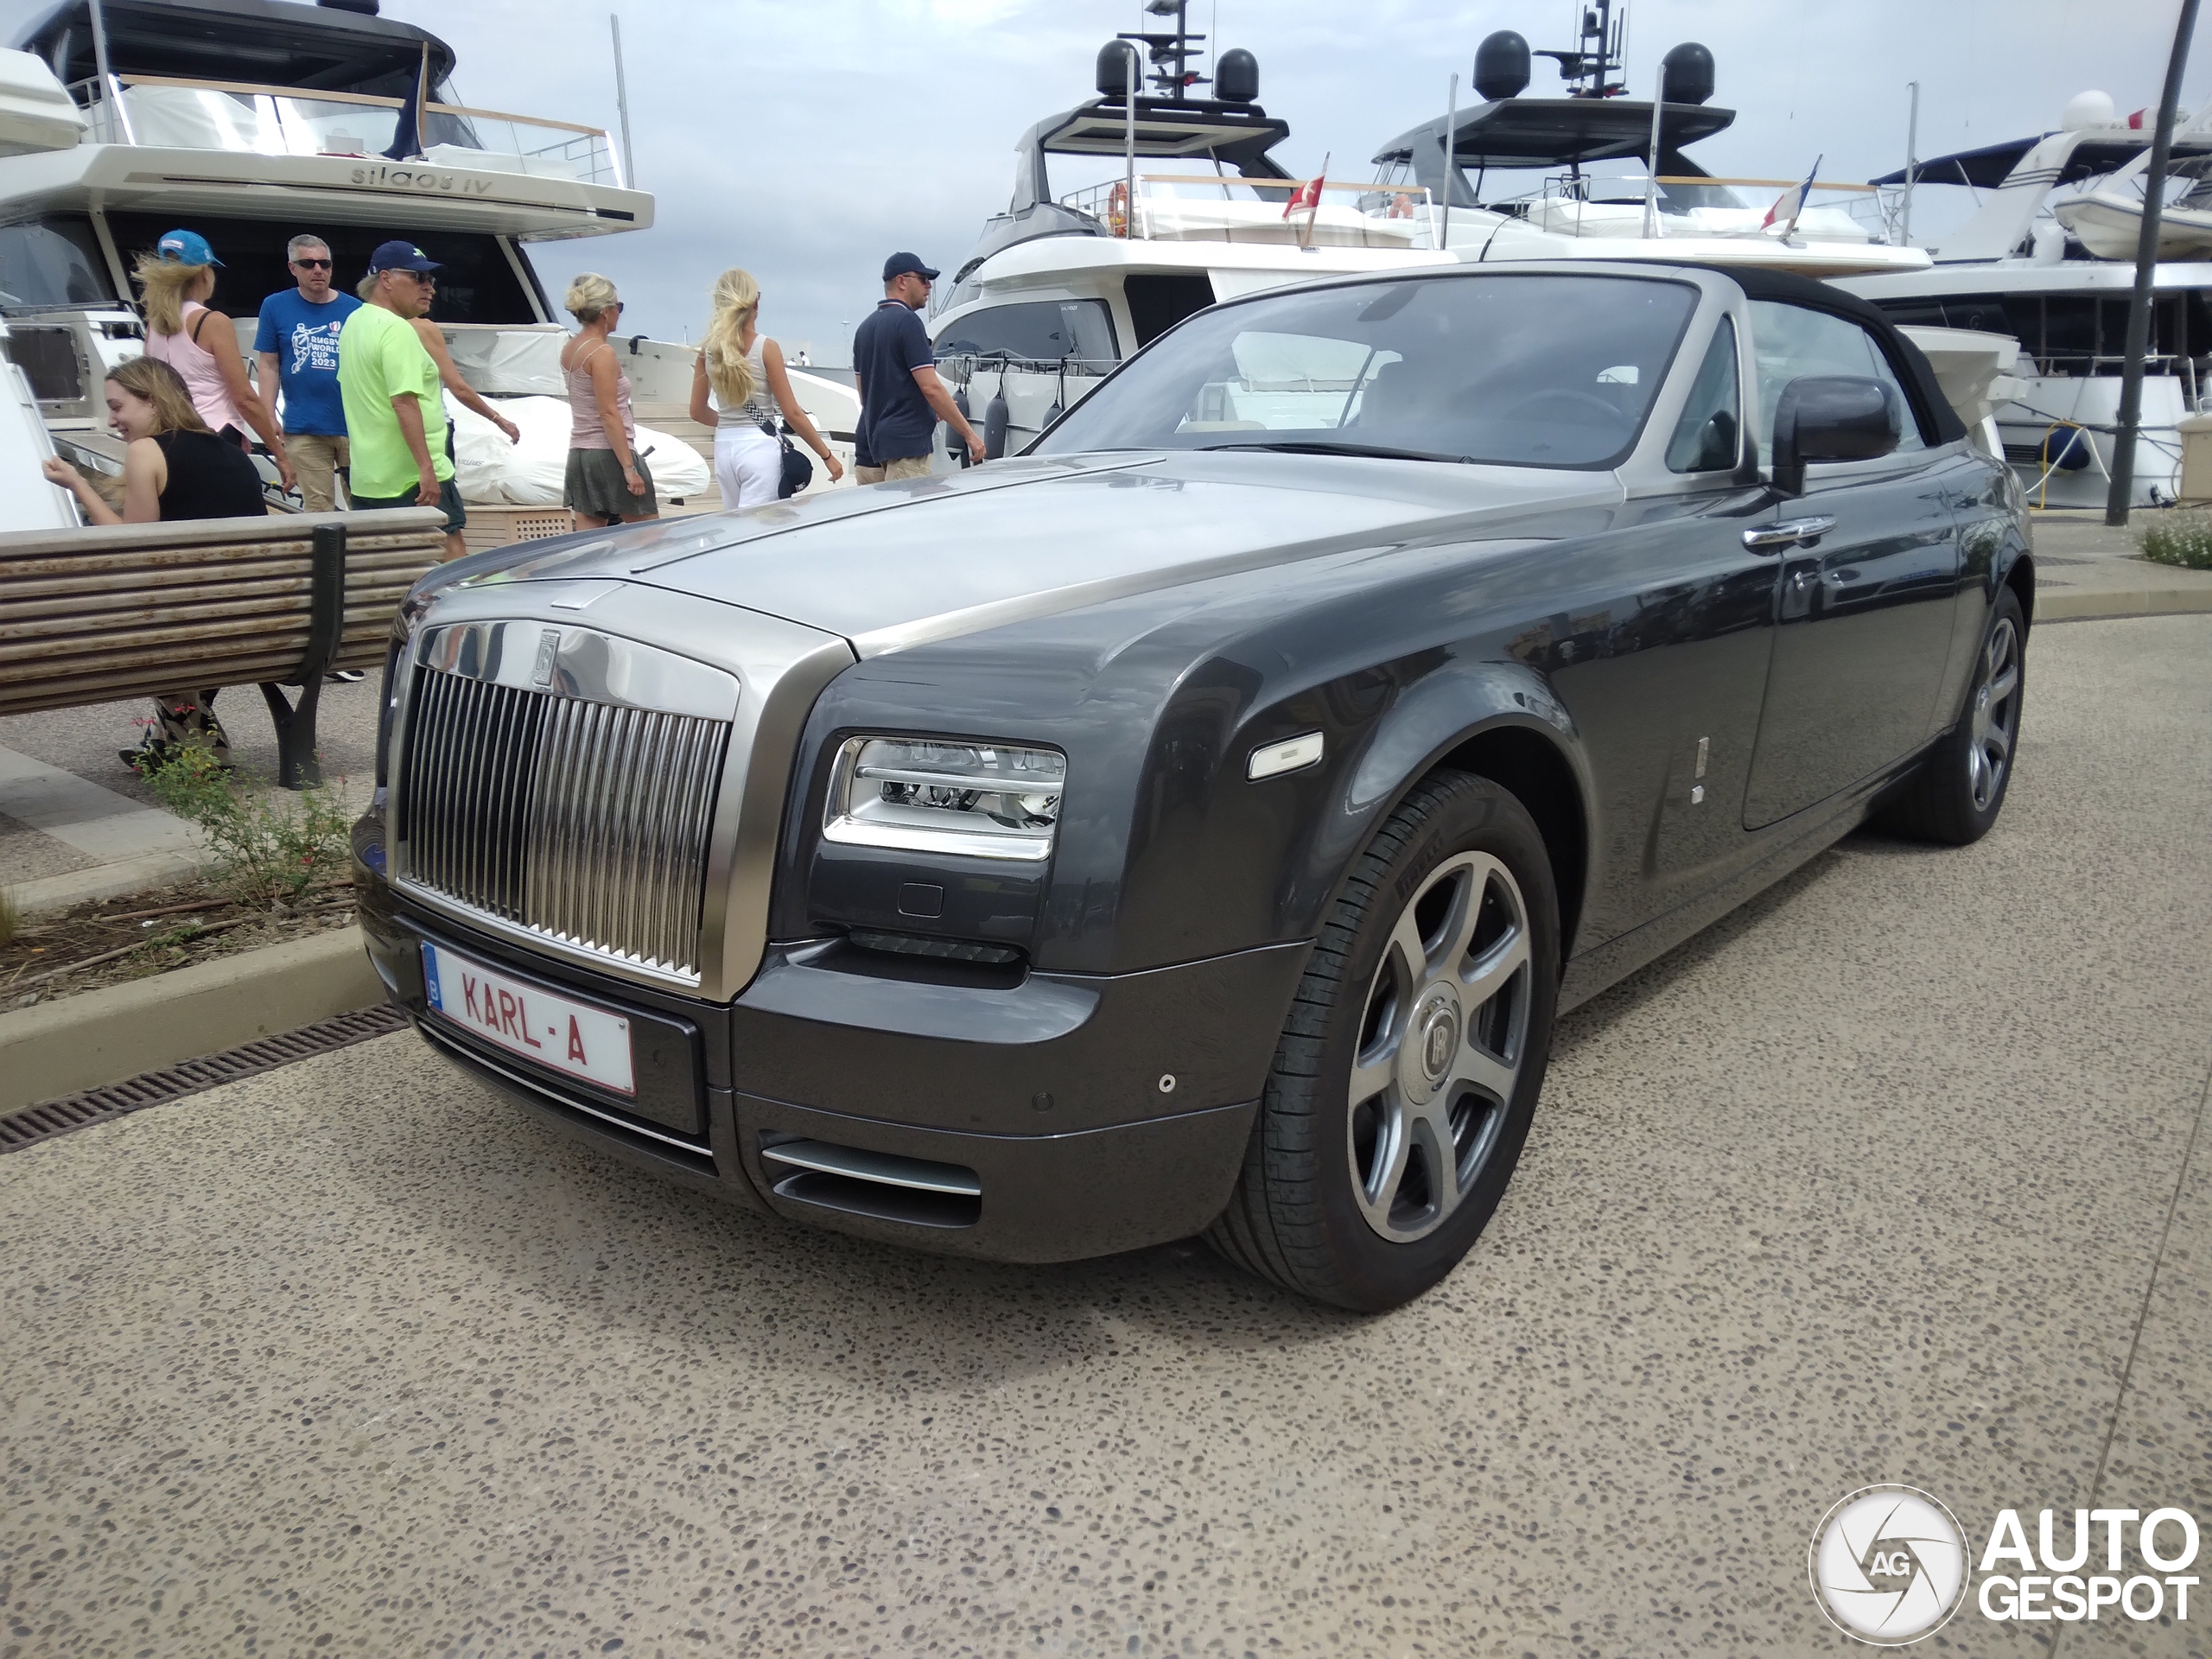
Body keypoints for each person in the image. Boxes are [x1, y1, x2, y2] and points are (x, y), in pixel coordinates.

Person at [41, 357, 265, 768]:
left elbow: (131, 546)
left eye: (117, 406)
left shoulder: (147, 450)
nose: (112, 421)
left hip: (191, 626)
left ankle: (205, 752)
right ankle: (164, 742)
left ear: (153, 402)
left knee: (144, 622)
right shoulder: (233, 452)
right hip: (259, 621)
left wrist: (77, 483)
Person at [136, 227, 294, 497]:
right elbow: (243, 397)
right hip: (214, 437)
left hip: (168, 438)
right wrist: (279, 453)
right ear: (203, 273)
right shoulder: (212, 322)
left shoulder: (154, 325)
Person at [339, 240, 466, 560]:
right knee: (451, 562)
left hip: (369, 477)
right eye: (418, 278)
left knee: (388, 571)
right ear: (385, 278)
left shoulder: (353, 323)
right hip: (412, 478)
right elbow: (404, 402)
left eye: (431, 280)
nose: (429, 288)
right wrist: (427, 469)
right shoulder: (398, 330)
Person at [688, 267, 843, 509]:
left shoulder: (708, 351)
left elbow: (697, 411)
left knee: (736, 529)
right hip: (759, 449)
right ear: (755, 303)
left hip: (724, 449)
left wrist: (732, 423)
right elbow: (792, 412)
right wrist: (827, 456)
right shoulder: (766, 348)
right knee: (759, 529)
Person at [851, 251, 981, 483]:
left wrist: (929, 407)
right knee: (907, 517)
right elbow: (931, 387)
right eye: (923, 279)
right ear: (902, 281)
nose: (929, 286)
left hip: (872, 447)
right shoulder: (909, 322)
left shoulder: (864, 329)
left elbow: (865, 396)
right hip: (907, 448)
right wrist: (969, 435)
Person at [253, 233, 357, 512]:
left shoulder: (355, 310)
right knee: (318, 508)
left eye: (325, 263)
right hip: (303, 427)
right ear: (293, 268)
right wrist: (268, 414)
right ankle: (328, 558)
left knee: (362, 505)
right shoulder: (275, 306)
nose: (318, 270)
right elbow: (269, 364)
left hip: (354, 425)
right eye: (308, 263)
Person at [559, 273, 658, 529]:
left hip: (581, 453)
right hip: (609, 452)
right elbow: (608, 412)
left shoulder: (571, 348)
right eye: (618, 307)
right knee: (649, 536)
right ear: (605, 312)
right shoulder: (602, 353)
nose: (619, 313)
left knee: (588, 543)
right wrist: (628, 467)